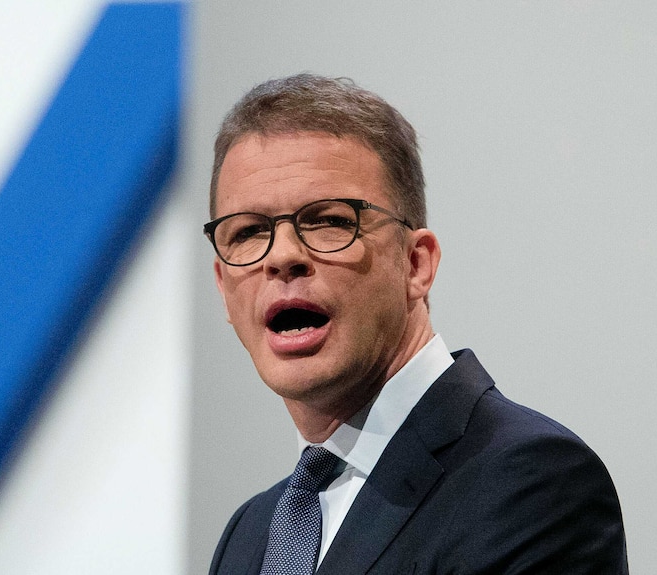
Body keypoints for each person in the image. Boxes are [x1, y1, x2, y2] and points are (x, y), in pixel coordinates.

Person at [204, 74, 628, 574]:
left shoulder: (531, 482)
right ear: (223, 288)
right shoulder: (249, 535)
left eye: (328, 220)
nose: (283, 257)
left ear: (416, 264)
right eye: (249, 232)